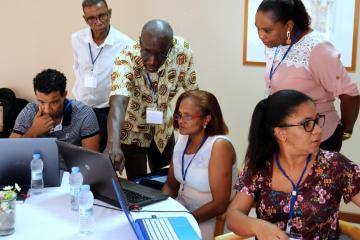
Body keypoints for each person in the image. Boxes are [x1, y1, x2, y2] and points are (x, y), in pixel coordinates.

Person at [226, 89, 360, 239]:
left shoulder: (335, 165)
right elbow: (233, 216)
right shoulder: (261, 166)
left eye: (316, 121)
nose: (317, 130)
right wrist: (257, 226)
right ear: (281, 133)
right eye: (307, 124)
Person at [255, 0, 360, 151]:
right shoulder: (274, 44)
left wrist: (346, 130)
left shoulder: (317, 49)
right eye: (257, 28)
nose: (261, 35)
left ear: (288, 26)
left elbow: (350, 94)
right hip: (286, 136)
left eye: (267, 30)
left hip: (317, 139)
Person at [107, 19, 198, 180]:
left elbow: (194, 95)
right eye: (147, 51)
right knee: (138, 184)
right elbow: (118, 102)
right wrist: (113, 144)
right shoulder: (126, 58)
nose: (152, 61)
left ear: (170, 48)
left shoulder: (182, 51)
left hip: (163, 129)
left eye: (160, 54)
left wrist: (200, 134)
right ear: (140, 41)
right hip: (132, 130)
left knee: (167, 180)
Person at [162, 90, 237, 240]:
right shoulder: (183, 138)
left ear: (206, 119)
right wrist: (156, 209)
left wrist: (185, 220)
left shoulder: (219, 146)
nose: (181, 121)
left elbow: (219, 204)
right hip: (181, 212)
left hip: (208, 221)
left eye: (188, 116)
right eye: (179, 115)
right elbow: (171, 186)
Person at [72, 0, 133, 152]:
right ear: (85, 19)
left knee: (103, 159)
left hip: (107, 110)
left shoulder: (125, 43)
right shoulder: (77, 39)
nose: (98, 22)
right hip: (81, 109)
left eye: (102, 16)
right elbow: (77, 68)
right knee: (80, 156)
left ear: (110, 13)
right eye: (92, 18)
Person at [10, 69, 100, 151]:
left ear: (64, 95)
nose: (47, 109)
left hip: (72, 167)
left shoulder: (84, 114)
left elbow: (92, 159)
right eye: (41, 102)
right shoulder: (29, 111)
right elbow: (10, 151)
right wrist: (33, 132)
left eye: (54, 102)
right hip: (37, 166)